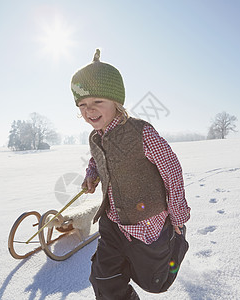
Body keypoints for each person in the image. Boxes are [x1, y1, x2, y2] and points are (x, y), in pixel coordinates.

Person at [70, 49, 191, 300]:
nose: (89, 110)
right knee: (104, 279)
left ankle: (176, 242)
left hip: (147, 224)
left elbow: (171, 169)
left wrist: (178, 214)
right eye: (82, 104)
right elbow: (97, 159)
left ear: (116, 102)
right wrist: (92, 174)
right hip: (112, 222)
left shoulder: (140, 133)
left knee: (156, 283)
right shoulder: (95, 136)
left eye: (97, 102)